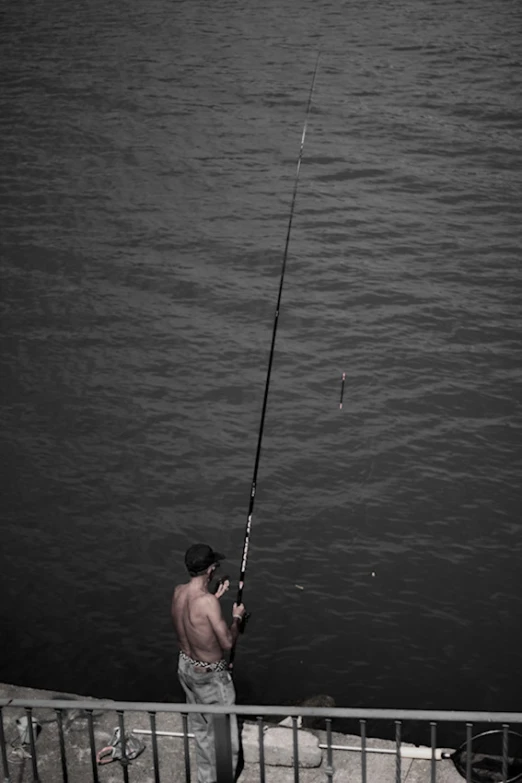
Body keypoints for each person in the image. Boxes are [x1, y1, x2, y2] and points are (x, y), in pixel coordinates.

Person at [172, 543, 246, 783]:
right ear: (211, 569)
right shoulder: (208, 603)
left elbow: (195, 622)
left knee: (201, 731)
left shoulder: (179, 592)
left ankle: (206, 779)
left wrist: (213, 596)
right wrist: (236, 619)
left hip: (185, 668)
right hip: (210, 677)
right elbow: (226, 643)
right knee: (225, 741)